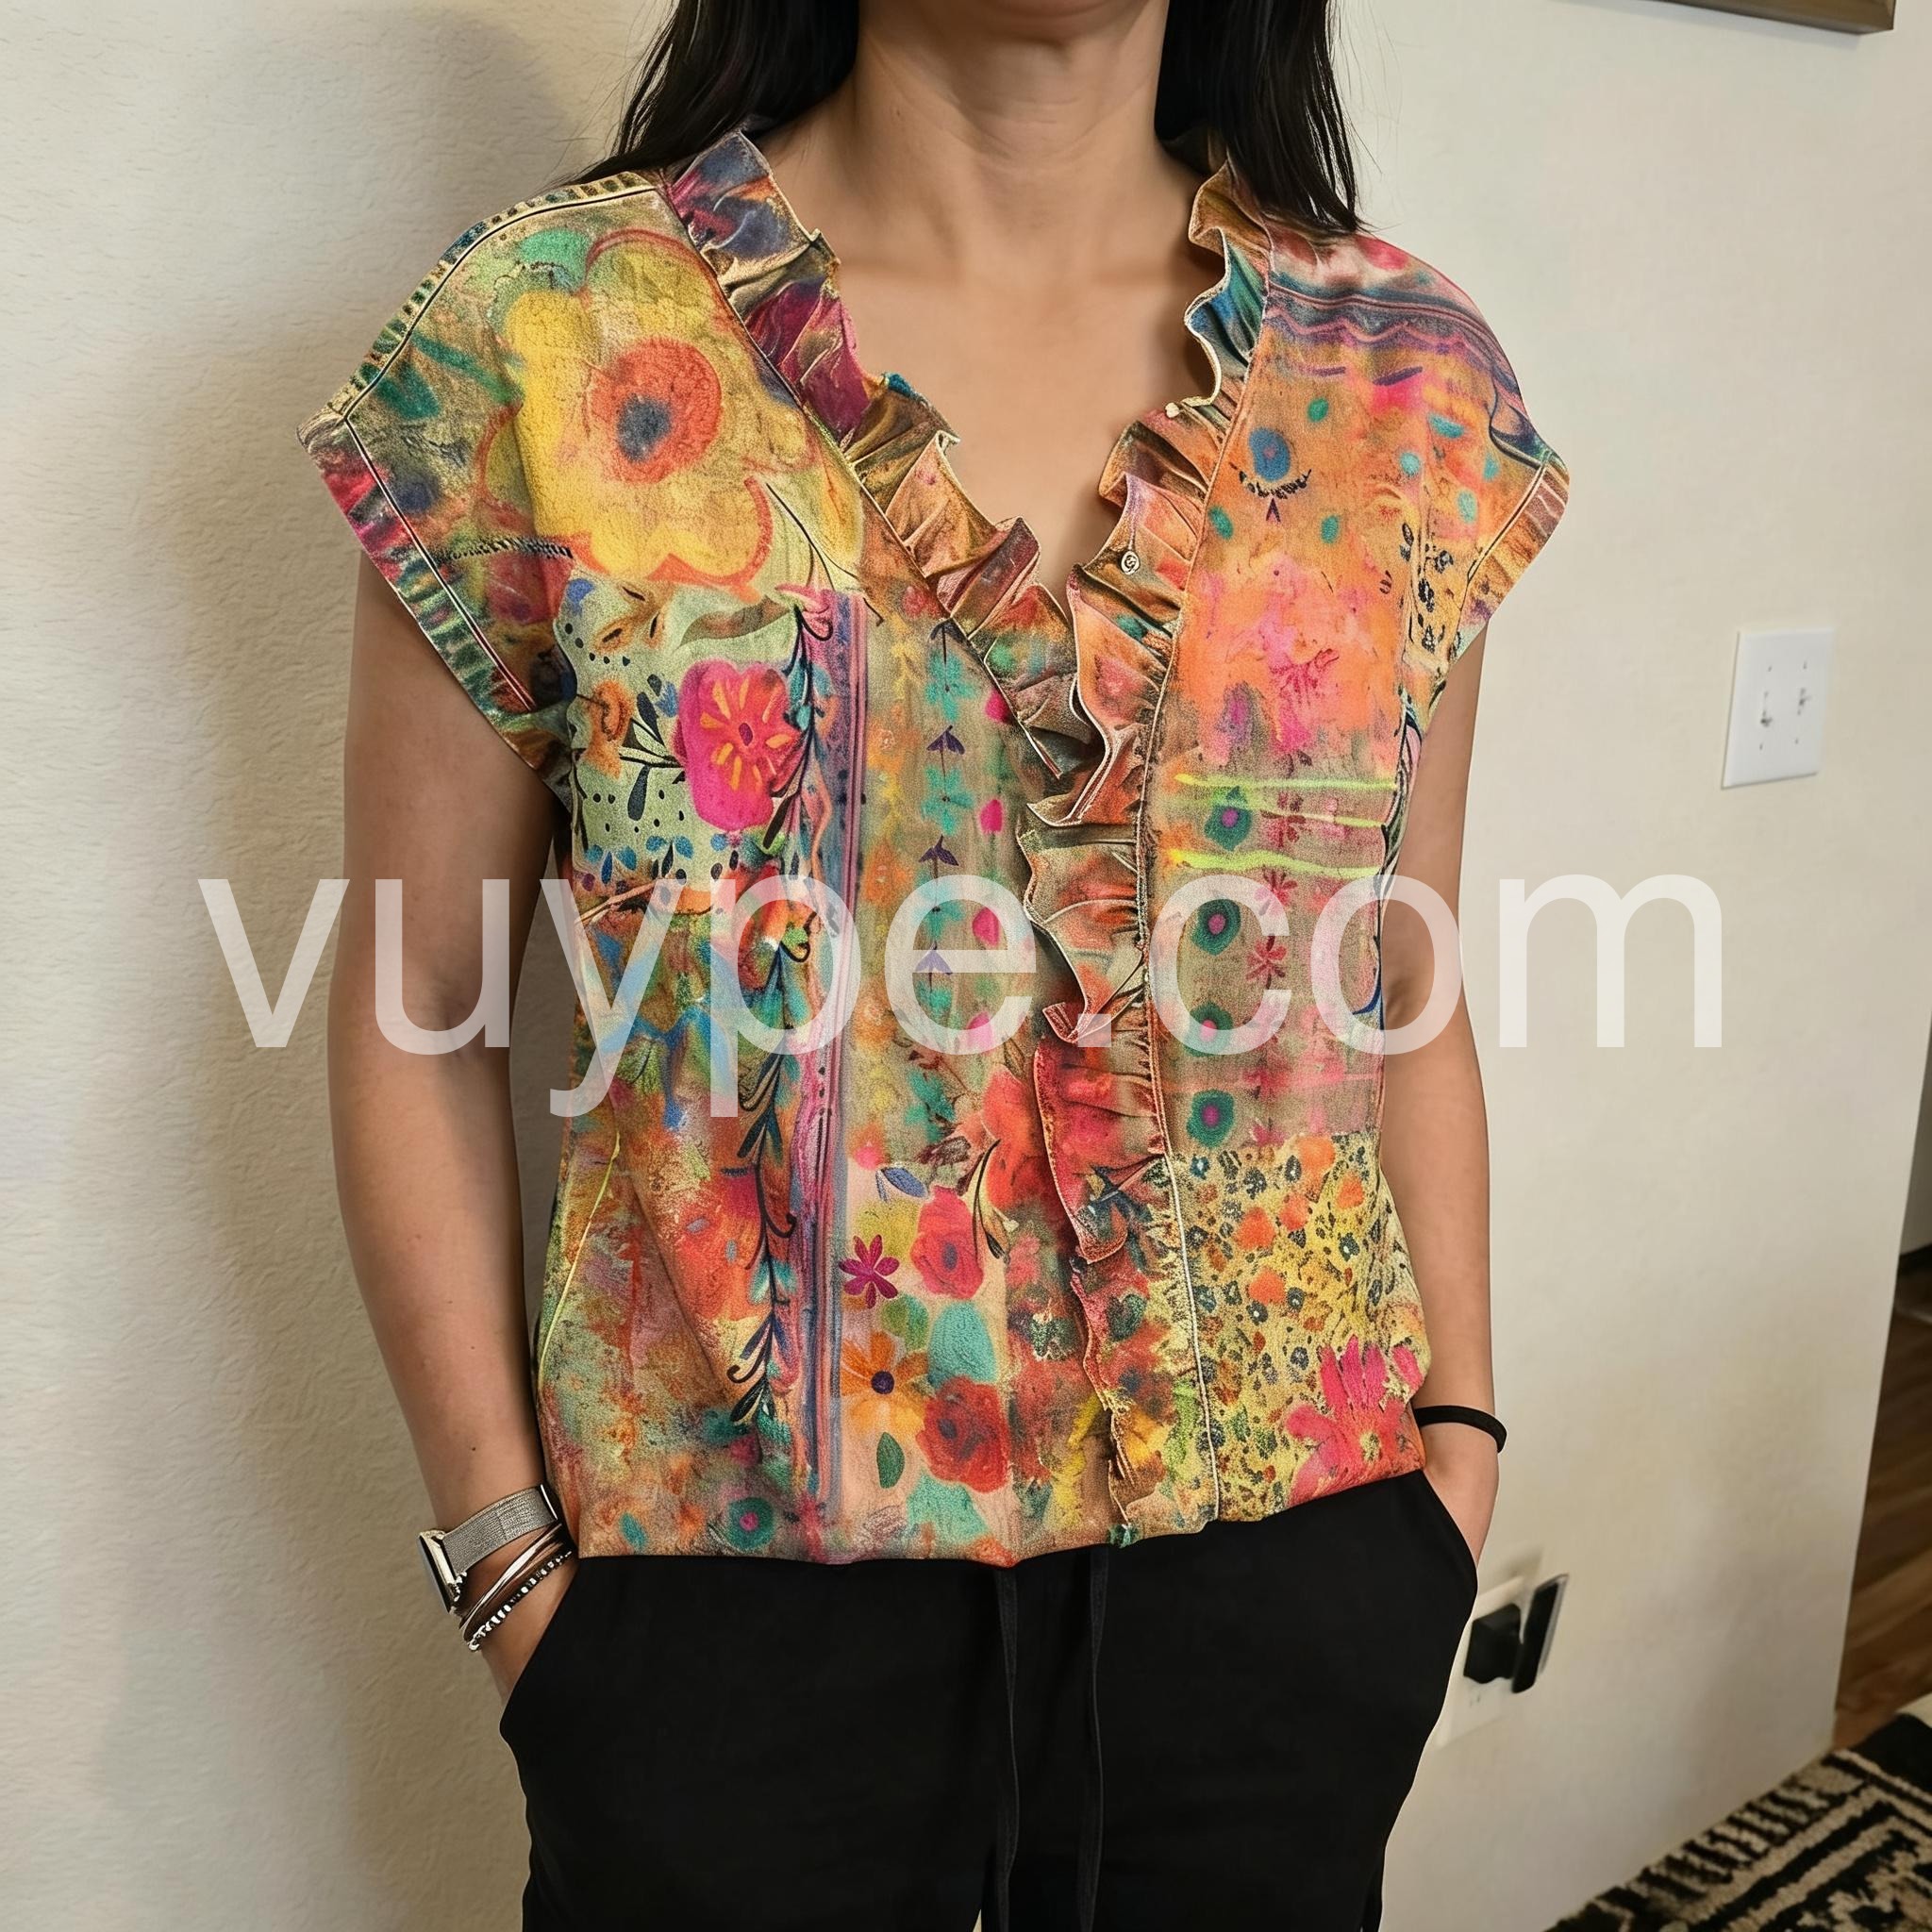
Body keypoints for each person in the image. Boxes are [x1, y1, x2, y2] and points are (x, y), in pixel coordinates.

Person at [300, 2, 1567, 1925]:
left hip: (1284, 1602)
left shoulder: (1405, 385)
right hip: (721, 1645)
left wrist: (1450, 1455)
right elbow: (417, 1013)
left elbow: (1398, 979)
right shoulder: (547, 345)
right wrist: (509, 1576)